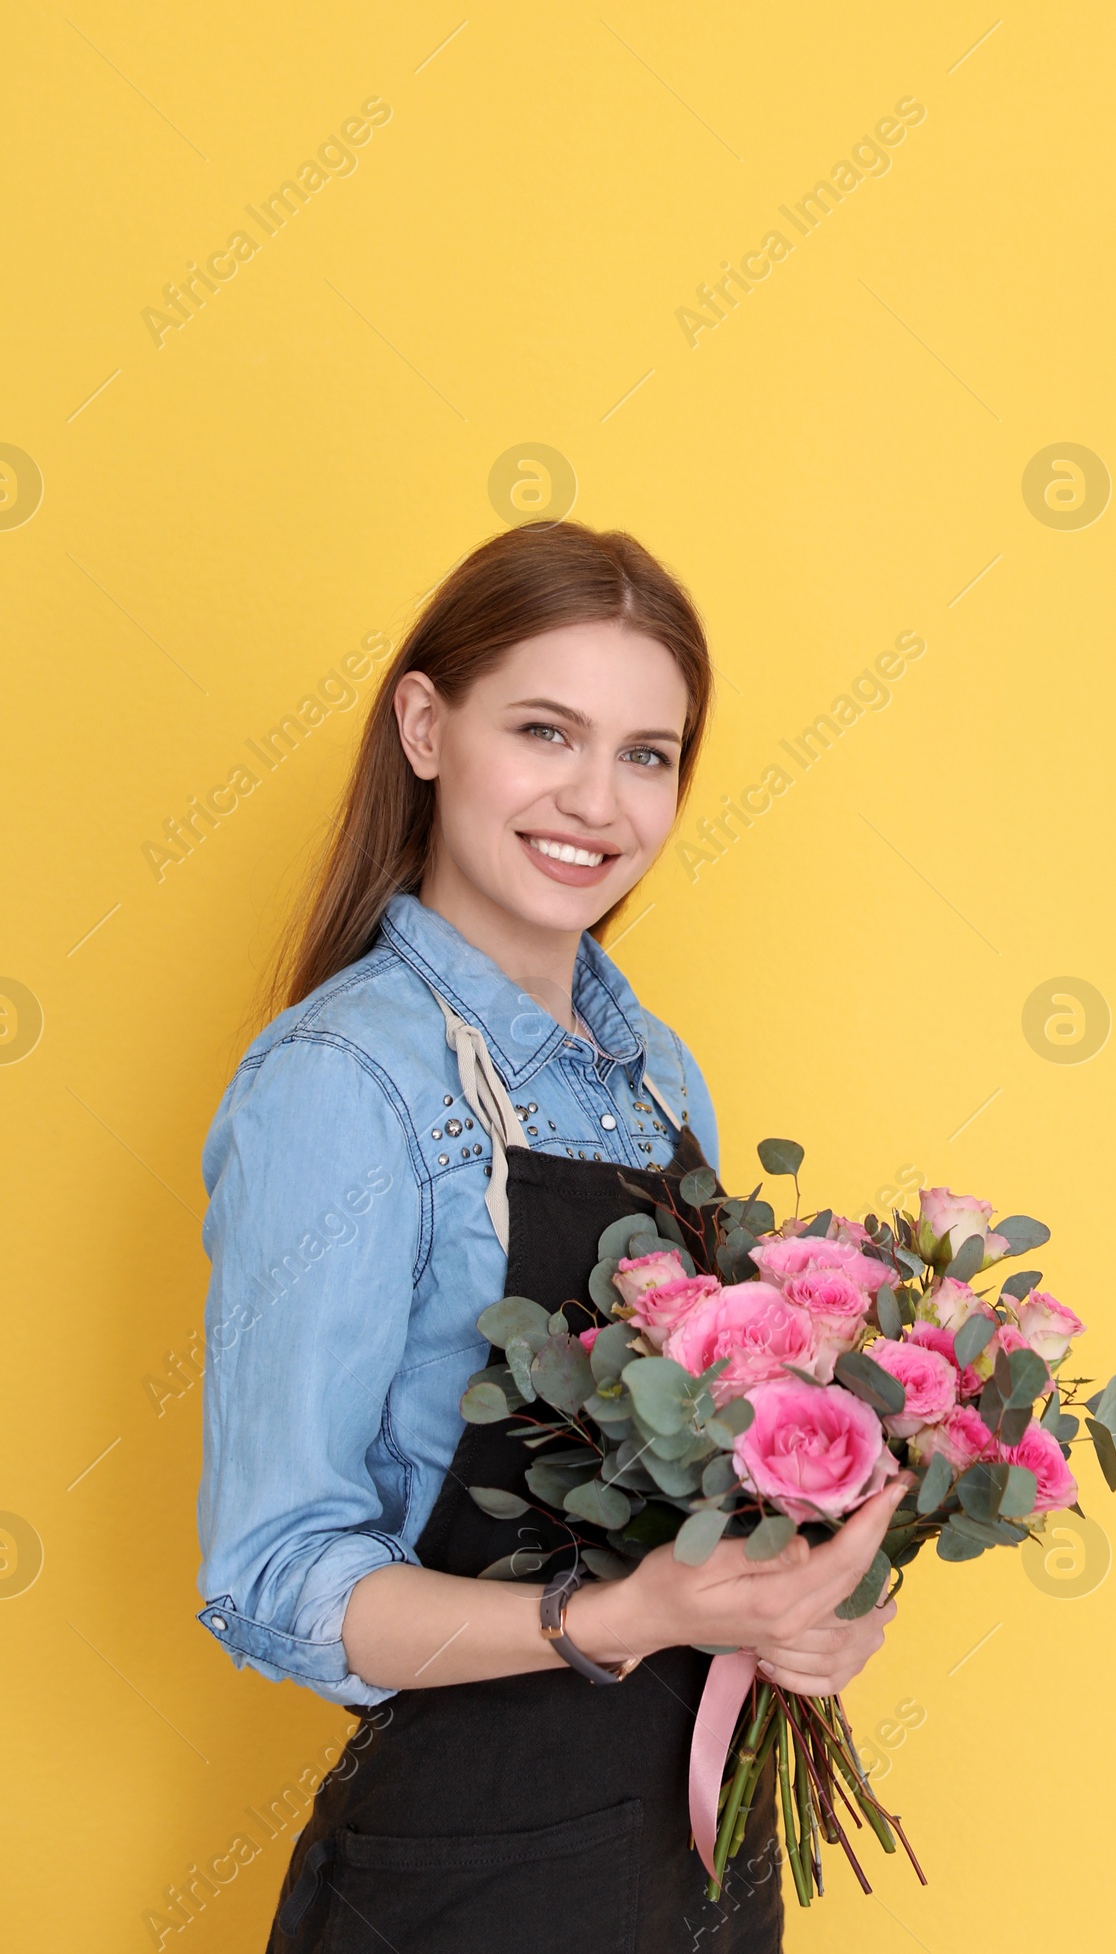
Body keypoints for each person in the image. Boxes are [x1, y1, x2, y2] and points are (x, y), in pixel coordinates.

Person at [196, 520, 903, 1953]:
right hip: (471, 1883)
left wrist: (800, 1614)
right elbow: (272, 1577)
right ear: (425, 724)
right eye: (545, 731)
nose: (599, 800)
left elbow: (696, 1490)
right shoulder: (343, 1085)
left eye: (650, 753)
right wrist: (616, 1616)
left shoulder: (660, 1075)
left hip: (696, 1859)